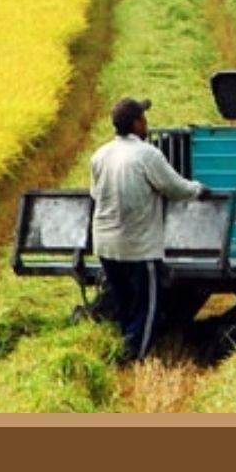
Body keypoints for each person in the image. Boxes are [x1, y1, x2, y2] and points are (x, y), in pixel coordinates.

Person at [90, 97, 210, 363]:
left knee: (123, 301)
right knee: (147, 307)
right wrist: (199, 190)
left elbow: (95, 193)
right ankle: (134, 358)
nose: (147, 122)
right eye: (143, 118)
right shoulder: (148, 154)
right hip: (139, 247)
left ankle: (122, 345)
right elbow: (174, 188)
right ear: (136, 124)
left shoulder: (100, 154)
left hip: (105, 244)